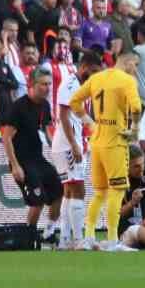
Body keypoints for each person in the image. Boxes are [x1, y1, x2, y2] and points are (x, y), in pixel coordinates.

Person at [69, 50, 143, 249]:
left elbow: (74, 101)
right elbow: (136, 107)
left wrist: (90, 123)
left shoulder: (97, 78)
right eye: (135, 65)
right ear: (127, 62)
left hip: (97, 143)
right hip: (115, 142)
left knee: (100, 193)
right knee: (116, 191)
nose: (136, 70)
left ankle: (90, 236)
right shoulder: (126, 80)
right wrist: (135, 129)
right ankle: (112, 239)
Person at [0, 66, 64, 245]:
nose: (47, 88)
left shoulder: (44, 105)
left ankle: (49, 232)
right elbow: (6, 138)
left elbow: (45, 130)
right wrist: (15, 165)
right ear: (32, 84)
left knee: (59, 190)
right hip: (23, 161)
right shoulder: (19, 107)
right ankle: (28, 236)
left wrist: (56, 148)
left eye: (49, 84)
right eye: (43, 84)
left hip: (38, 158)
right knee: (38, 200)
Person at [51, 47, 100, 251]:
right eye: (94, 71)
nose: (96, 75)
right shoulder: (70, 84)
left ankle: (64, 240)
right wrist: (73, 145)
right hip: (68, 144)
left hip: (73, 143)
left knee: (69, 191)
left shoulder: (84, 86)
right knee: (78, 190)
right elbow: (63, 116)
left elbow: (80, 115)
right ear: (84, 67)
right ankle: (79, 239)